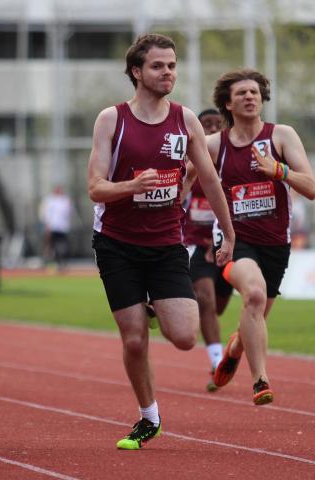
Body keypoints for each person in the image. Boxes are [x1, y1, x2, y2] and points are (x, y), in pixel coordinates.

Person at [88, 33, 235, 450]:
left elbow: (209, 177)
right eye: (158, 65)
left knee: (186, 336)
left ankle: (153, 305)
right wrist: (132, 185)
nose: (167, 72)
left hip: (167, 243)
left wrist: (228, 230)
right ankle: (148, 416)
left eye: (171, 65)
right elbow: (95, 189)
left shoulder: (186, 119)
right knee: (134, 337)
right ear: (137, 71)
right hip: (116, 242)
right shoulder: (111, 119)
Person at [208, 69, 315, 405]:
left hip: (275, 244)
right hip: (233, 239)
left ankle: (236, 348)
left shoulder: (281, 136)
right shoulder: (214, 145)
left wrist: (279, 171)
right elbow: (184, 180)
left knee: (256, 313)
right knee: (253, 295)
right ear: (228, 103)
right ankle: (261, 381)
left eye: (254, 92)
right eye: (241, 93)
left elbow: (311, 188)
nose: (250, 97)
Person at [183, 108, 232, 392]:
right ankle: (217, 361)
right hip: (196, 244)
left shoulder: (230, 164)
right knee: (205, 299)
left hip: (226, 243)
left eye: (217, 125)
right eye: (206, 125)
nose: (212, 129)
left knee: (220, 306)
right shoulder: (190, 165)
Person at [39, 185, 72, 271]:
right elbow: (44, 213)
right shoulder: (49, 200)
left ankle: (63, 263)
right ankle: (53, 263)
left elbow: (68, 213)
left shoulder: (65, 200)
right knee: (52, 246)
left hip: (63, 227)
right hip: (52, 227)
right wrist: (47, 225)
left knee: (64, 246)